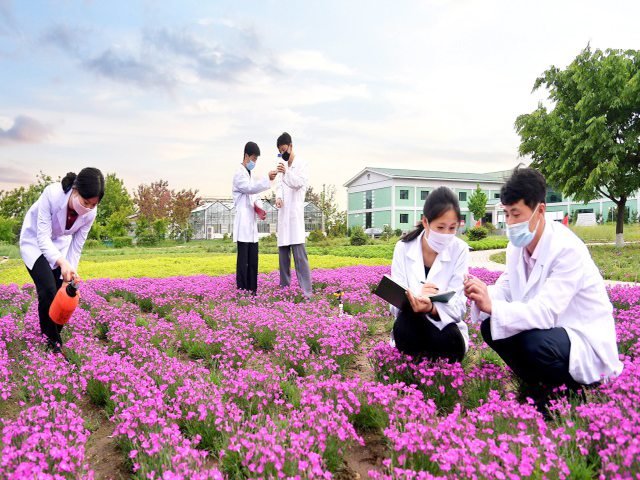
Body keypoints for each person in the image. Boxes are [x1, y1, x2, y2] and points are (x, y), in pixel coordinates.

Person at [463, 166, 623, 413]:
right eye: (506, 214)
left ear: (540, 210)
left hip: (581, 336)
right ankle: (542, 386)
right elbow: (506, 288)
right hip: (551, 332)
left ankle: (571, 392)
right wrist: (481, 292)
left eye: (516, 214)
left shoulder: (566, 248)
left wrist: (494, 306)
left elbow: (547, 313)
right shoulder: (517, 246)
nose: (509, 223)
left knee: (533, 342)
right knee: (491, 328)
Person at [20, 168, 105, 353]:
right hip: (34, 241)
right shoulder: (52, 194)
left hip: (60, 245)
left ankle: (54, 333)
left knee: (64, 290)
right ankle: (52, 343)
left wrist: (70, 270)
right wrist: (62, 262)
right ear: (75, 190)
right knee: (48, 289)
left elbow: (77, 245)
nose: (88, 208)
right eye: (85, 202)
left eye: (93, 205)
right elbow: (42, 237)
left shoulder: (91, 213)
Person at [390, 186, 469, 363]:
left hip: (444, 327)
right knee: (404, 326)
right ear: (425, 221)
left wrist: (432, 308)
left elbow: (458, 307)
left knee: (446, 339)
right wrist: (418, 297)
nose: (446, 235)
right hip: (411, 322)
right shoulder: (403, 248)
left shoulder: (460, 250)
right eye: (440, 227)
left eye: (452, 228)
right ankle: (419, 359)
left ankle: (429, 362)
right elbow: (395, 304)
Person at [232, 141, 277, 294]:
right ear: (246, 156)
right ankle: (242, 290)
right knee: (243, 261)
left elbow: (255, 196)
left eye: (256, 160)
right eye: (253, 159)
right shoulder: (239, 175)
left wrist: (260, 209)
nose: (254, 162)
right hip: (243, 224)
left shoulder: (249, 175)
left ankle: (253, 291)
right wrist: (267, 179)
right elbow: (249, 189)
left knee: (253, 261)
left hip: (251, 226)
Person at [275, 132, 312, 298]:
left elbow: (298, 183)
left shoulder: (302, 164)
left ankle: (307, 293)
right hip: (284, 217)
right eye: (280, 151)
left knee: (300, 258)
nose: (283, 153)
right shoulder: (281, 166)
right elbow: (279, 186)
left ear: (291, 146)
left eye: (284, 150)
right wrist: (279, 198)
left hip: (295, 217)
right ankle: (284, 291)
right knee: (283, 259)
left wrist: (286, 173)